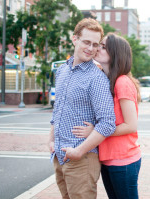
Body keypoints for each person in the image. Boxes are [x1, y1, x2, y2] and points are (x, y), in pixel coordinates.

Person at [48, 18, 116, 199]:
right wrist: (51, 139)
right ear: (74, 39)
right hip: (60, 156)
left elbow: (108, 123)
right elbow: (58, 110)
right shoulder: (62, 70)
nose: (91, 48)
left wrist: (79, 151)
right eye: (86, 42)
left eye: (95, 44)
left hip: (83, 159)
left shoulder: (97, 78)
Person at [72, 33, 141, 199]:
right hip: (109, 159)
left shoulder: (122, 82)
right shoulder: (106, 79)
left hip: (123, 160)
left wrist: (96, 131)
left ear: (115, 54)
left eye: (103, 47)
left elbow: (131, 125)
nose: (97, 49)